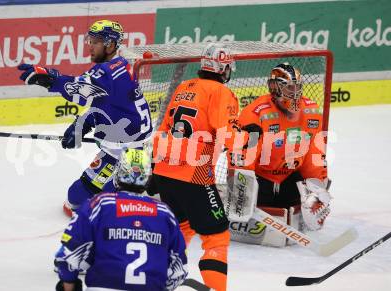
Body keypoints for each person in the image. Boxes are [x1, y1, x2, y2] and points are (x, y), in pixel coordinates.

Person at [17, 20, 152, 216]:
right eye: (90, 40)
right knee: (83, 197)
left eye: (96, 41)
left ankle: (133, 184)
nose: (90, 45)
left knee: (81, 201)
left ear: (111, 44)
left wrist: (48, 78)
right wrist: (82, 124)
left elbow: (78, 91)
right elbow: (103, 102)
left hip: (127, 151)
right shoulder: (120, 64)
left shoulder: (107, 72)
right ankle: (137, 183)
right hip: (134, 146)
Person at [151, 42, 239, 291]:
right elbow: (229, 135)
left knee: (182, 227)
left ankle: (157, 281)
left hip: (164, 172)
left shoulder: (183, 87)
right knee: (217, 237)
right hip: (195, 176)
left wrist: (153, 168)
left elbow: (163, 129)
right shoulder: (221, 92)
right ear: (223, 69)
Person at [54, 148, 188, 291]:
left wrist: (69, 282)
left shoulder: (99, 204)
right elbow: (179, 269)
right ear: (148, 178)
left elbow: (68, 254)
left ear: (118, 173)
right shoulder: (165, 213)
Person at [234, 62, 331, 231]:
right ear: (275, 88)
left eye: (297, 87)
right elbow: (243, 157)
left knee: (302, 205)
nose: (295, 94)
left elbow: (314, 155)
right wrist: (242, 194)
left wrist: (317, 189)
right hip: (261, 180)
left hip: (291, 180)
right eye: (289, 88)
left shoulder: (312, 111)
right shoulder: (256, 113)